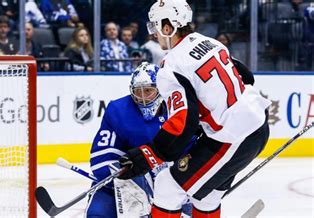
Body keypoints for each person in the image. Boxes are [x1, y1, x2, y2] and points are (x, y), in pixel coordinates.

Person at [117, 1, 271, 217]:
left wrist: (151, 153)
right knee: (205, 196)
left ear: (167, 28)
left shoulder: (171, 66)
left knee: (167, 186)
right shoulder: (211, 43)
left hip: (234, 137)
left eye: (155, 27)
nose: (154, 34)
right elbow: (246, 76)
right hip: (254, 125)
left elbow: (182, 122)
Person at [87, 62, 194, 217]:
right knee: (97, 215)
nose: (143, 98)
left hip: (174, 186)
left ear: (160, 89)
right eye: (138, 91)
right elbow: (102, 157)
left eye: (148, 91)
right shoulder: (118, 111)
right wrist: (129, 179)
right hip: (125, 186)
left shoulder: (177, 109)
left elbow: (192, 152)